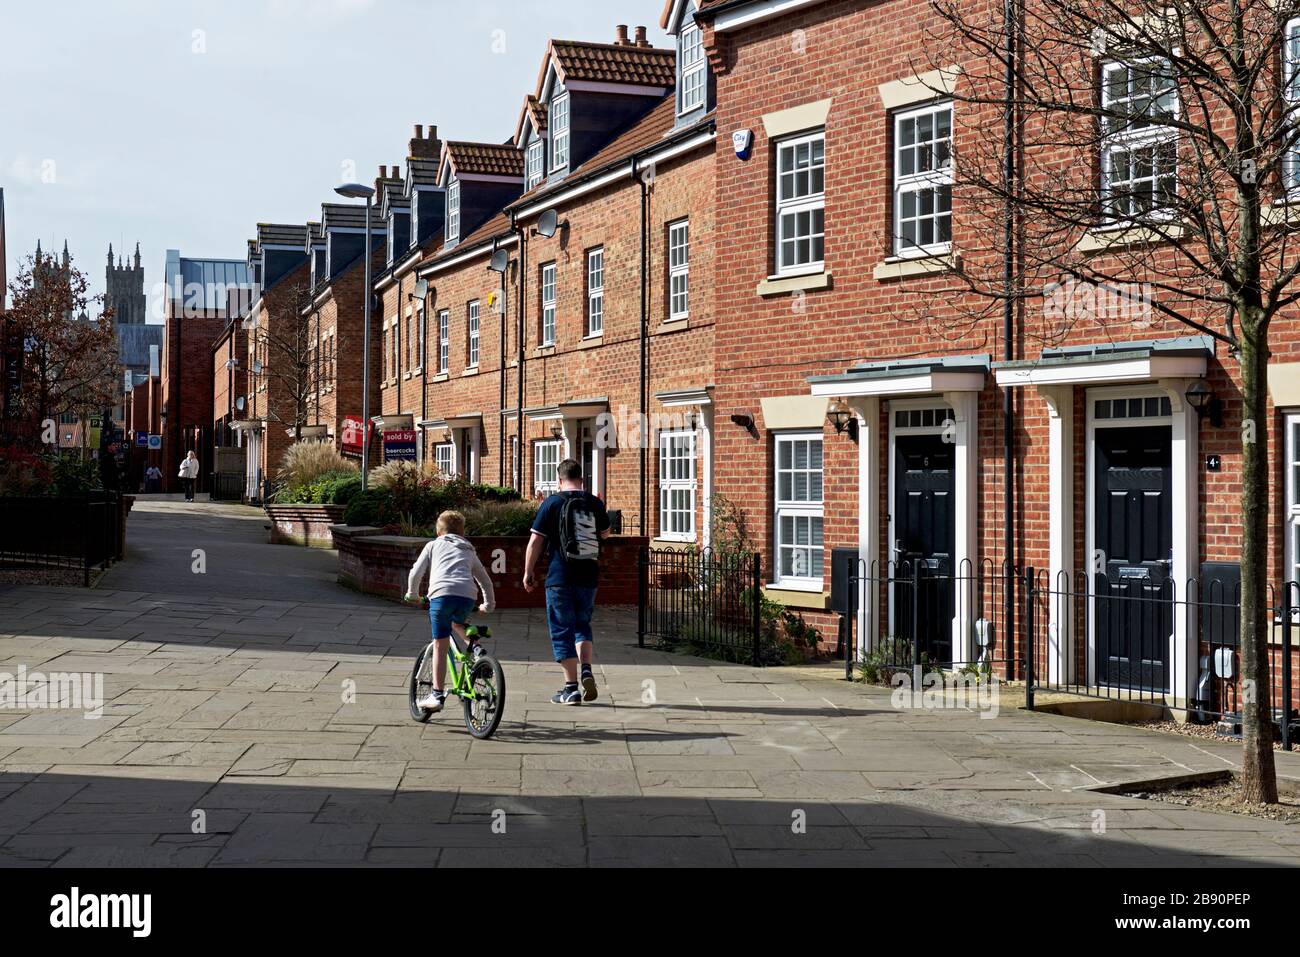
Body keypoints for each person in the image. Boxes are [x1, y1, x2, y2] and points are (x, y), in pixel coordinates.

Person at [523, 458, 610, 706]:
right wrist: (599, 508)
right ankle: (586, 670)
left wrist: (528, 571)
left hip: (560, 577)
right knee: (583, 624)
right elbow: (605, 534)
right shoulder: (593, 502)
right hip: (588, 576)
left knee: (562, 629)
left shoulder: (552, 503)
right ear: (581, 479)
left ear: (559, 480)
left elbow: (535, 542)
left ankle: (570, 688)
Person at [404, 510, 496, 713]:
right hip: (466, 596)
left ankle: (436, 695)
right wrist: (488, 605)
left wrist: (412, 594)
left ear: (439, 532)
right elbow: (485, 580)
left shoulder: (433, 545)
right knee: (458, 623)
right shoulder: (468, 549)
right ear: (462, 533)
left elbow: (415, 572)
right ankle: (479, 652)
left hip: (441, 595)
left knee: (440, 645)